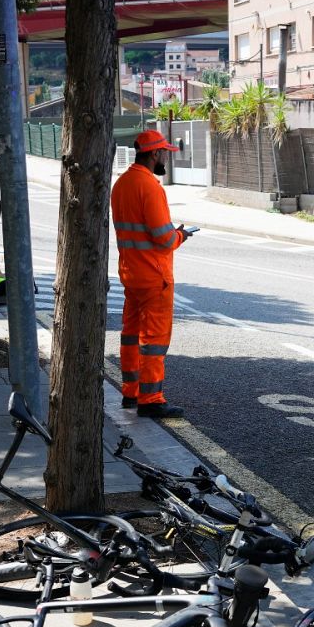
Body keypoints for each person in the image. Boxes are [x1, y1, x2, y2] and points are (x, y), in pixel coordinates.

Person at [111, 129, 193, 419]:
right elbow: (163, 238)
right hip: (154, 276)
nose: (166, 159)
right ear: (154, 154)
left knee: (131, 335)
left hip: (130, 274)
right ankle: (151, 398)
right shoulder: (151, 186)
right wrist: (181, 235)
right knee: (154, 340)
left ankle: (130, 392)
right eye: (165, 154)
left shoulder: (121, 184)